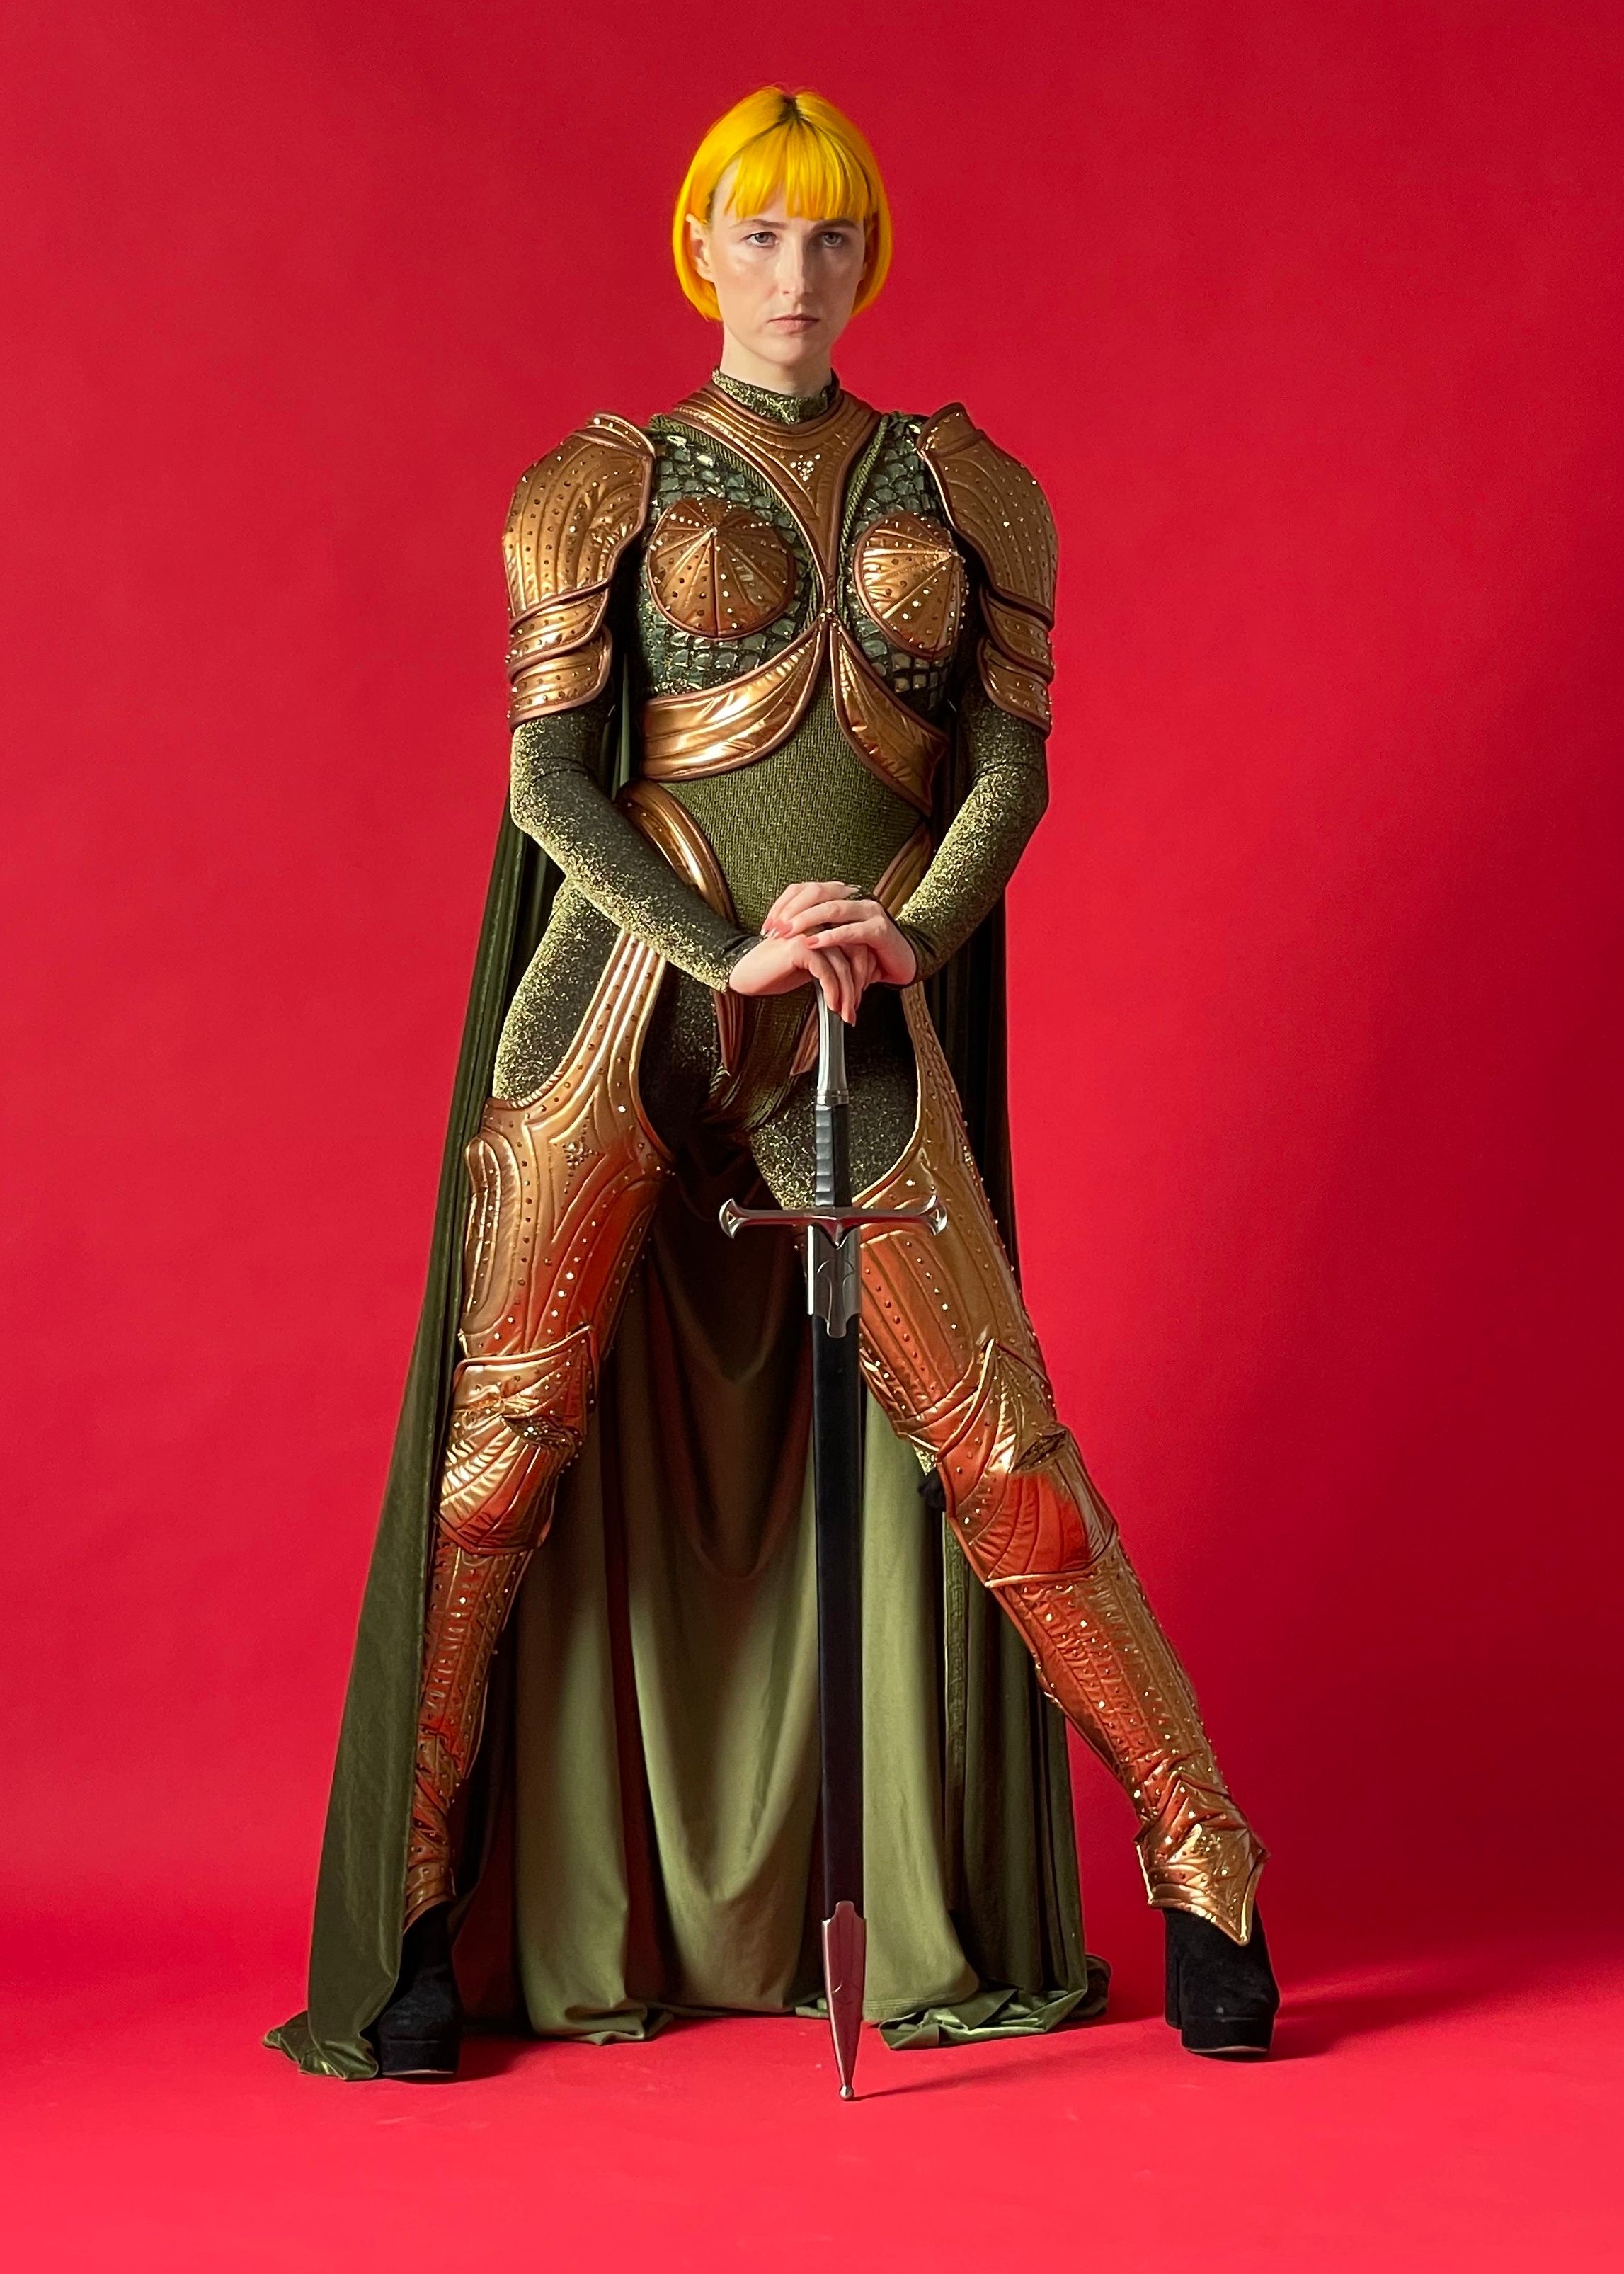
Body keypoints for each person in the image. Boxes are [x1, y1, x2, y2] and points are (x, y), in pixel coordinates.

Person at [268, 85, 1279, 2084]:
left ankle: (1210, 1865)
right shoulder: (601, 485)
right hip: (625, 998)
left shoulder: (970, 488)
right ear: (698, 251)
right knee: (500, 1460)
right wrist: (714, 940)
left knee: (1006, 1457)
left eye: (828, 237)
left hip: (855, 1010)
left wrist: (915, 926)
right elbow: (550, 781)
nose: (794, 273)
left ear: (867, 256)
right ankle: (414, 1898)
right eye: (757, 233)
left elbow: (1008, 767)